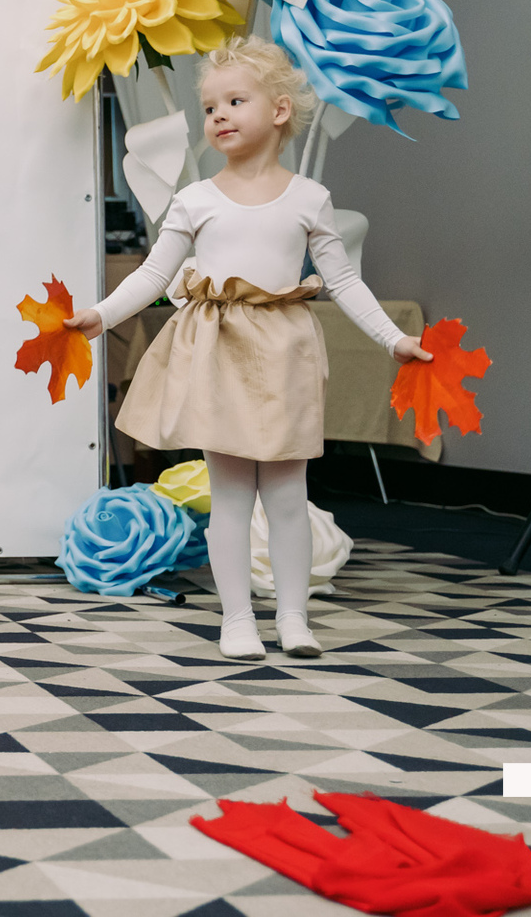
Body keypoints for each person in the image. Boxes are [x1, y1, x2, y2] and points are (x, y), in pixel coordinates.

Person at [64, 36, 432, 661]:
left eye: (235, 101)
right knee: (231, 498)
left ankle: (293, 617)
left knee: (287, 496)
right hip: (218, 352)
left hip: (286, 354)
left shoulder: (309, 198)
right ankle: (237, 620)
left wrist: (393, 338)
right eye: (210, 107)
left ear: (280, 110)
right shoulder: (195, 200)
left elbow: (343, 281)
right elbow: (154, 273)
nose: (219, 116)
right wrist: (101, 315)